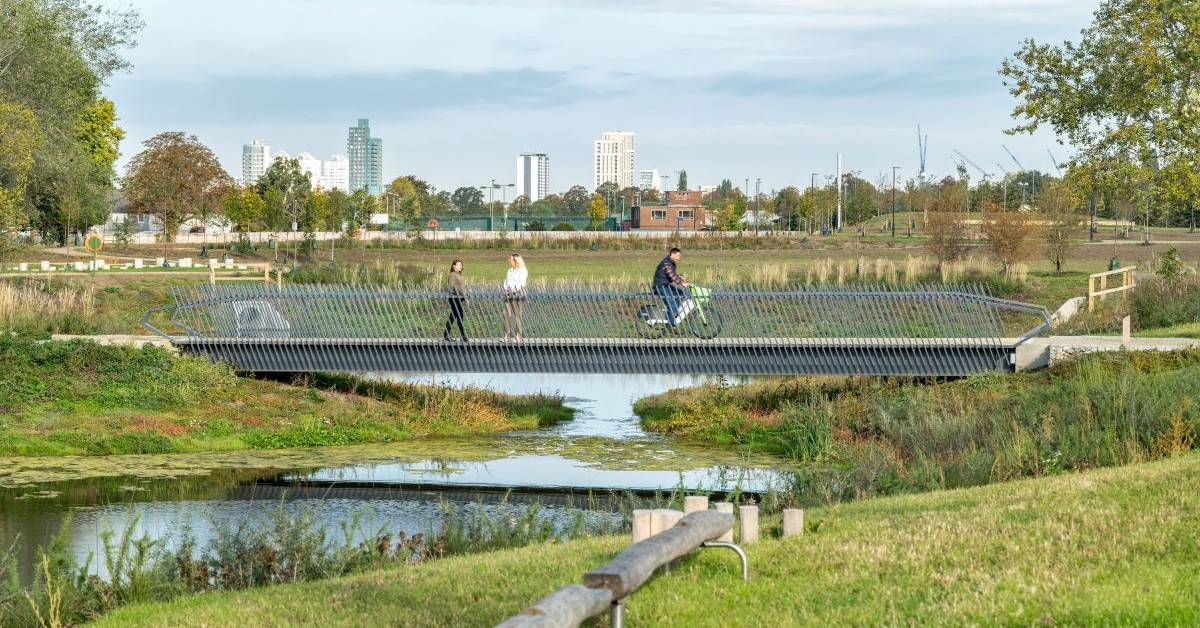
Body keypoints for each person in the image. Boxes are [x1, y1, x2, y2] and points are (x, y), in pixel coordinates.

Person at [652, 247, 688, 333]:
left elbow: (673, 275)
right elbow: (672, 276)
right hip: (660, 286)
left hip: (666, 285)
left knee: (680, 293)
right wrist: (682, 283)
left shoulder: (670, 263)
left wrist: (680, 278)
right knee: (671, 304)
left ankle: (671, 313)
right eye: (678, 255)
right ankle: (671, 325)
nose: (679, 257)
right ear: (672, 254)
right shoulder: (666, 263)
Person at [502, 253, 528, 341]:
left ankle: (518, 335)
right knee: (506, 314)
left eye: (510, 259)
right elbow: (505, 281)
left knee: (517, 315)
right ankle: (506, 335)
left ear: (515, 261)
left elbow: (521, 283)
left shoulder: (523, 270)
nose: (509, 261)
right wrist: (505, 289)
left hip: (518, 295)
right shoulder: (510, 270)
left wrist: (511, 289)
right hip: (508, 295)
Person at [443, 259, 468, 342]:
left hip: (459, 298)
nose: (460, 266)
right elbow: (450, 287)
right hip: (454, 298)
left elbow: (462, 288)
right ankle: (463, 336)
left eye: (461, 265)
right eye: (459, 265)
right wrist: (457, 294)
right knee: (459, 316)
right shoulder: (453, 275)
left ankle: (446, 335)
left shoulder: (459, 275)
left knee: (453, 316)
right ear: (454, 266)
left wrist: (464, 297)